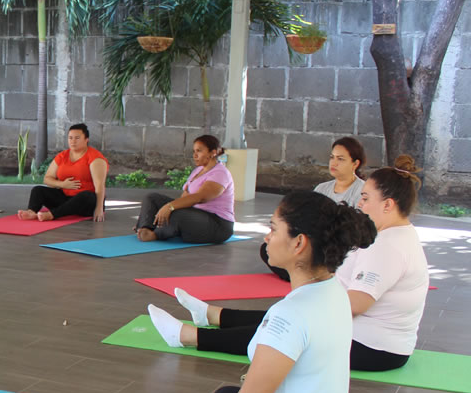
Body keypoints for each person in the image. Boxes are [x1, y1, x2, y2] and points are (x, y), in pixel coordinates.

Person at [140, 191, 377, 393]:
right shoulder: (333, 290)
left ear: (299, 243)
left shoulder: (290, 313)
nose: (268, 236)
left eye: (274, 228)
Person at [152, 155, 428, 372]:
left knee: (281, 327)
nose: (361, 204)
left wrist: (308, 305)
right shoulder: (394, 236)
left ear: (388, 205)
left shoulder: (388, 246)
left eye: (366, 198)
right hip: (368, 338)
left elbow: (354, 305)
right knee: (283, 314)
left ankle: (189, 336)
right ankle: (212, 315)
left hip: (372, 347)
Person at [262, 137, 367, 281]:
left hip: (343, 245)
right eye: (332, 157)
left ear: (355, 163)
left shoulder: (362, 190)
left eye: (341, 159)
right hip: (318, 241)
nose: (334, 163)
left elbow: (358, 227)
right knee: (268, 248)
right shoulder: (322, 188)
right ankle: (305, 274)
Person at [135, 135, 234, 243]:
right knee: (152, 198)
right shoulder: (198, 170)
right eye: (194, 151)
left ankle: (155, 234)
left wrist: (169, 207)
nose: (195, 155)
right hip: (196, 215)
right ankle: (145, 228)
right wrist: (169, 207)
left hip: (217, 224)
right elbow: (185, 197)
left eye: (199, 151)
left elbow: (200, 197)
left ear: (213, 152)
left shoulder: (220, 173)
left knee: (177, 214)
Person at [17, 123, 107, 222]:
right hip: (65, 199)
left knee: (87, 196)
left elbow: (99, 185)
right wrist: (62, 184)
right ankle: (31, 212)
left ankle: (52, 215)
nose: (73, 141)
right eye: (70, 138)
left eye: (77, 138)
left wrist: (99, 209)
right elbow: (47, 179)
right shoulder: (62, 156)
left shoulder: (95, 158)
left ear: (86, 140)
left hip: (86, 204)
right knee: (38, 190)